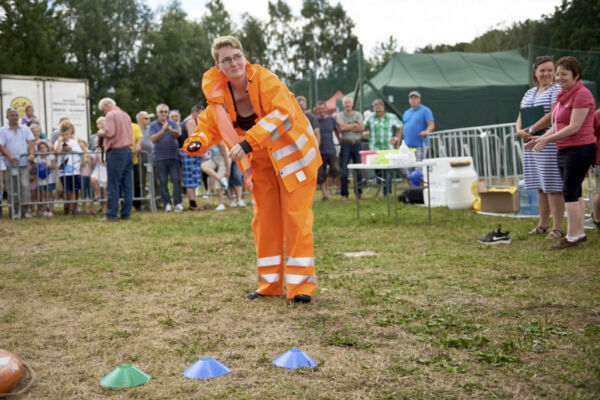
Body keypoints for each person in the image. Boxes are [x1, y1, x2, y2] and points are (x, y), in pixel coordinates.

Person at [184, 36, 321, 303]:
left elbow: (283, 114)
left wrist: (248, 142)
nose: (233, 62)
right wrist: (196, 141)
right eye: (226, 59)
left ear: (244, 57)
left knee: (296, 219)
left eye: (237, 56)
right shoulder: (219, 100)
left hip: (295, 159)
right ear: (218, 67)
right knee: (264, 222)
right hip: (260, 165)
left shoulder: (265, 79)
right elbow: (207, 126)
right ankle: (268, 284)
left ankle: (301, 287)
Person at [527, 56, 597, 249]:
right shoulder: (563, 95)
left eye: (563, 74)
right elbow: (557, 125)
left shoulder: (582, 94)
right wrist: (540, 138)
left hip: (579, 149)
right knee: (575, 192)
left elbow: (574, 127)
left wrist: (546, 140)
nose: (558, 78)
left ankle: (572, 236)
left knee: (569, 192)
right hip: (565, 149)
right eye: (557, 74)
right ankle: (579, 233)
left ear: (576, 75)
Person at [516, 55, 565, 239]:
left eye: (550, 70)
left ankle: (557, 227)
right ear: (535, 72)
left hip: (548, 142)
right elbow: (521, 114)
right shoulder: (529, 93)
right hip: (531, 143)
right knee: (540, 185)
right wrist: (519, 130)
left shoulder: (556, 89)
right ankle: (543, 224)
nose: (546, 73)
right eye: (542, 70)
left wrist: (533, 129)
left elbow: (554, 114)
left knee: (552, 186)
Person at [97, 97, 134, 221]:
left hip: (116, 151)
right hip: (128, 150)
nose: (104, 112)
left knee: (113, 184)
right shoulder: (126, 115)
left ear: (106, 105)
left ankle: (112, 214)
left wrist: (100, 133)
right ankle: (126, 213)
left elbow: (110, 133)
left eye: (103, 110)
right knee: (127, 184)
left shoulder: (110, 115)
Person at [0, 107, 35, 218]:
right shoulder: (2, 130)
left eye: (16, 115)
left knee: (25, 186)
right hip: (9, 164)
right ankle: (13, 209)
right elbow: (1, 146)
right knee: (11, 187)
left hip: (23, 163)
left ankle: (25, 209)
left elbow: (31, 142)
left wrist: (31, 154)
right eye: (11, 115)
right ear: (7, 117)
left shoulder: (25, 129)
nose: (14, 117)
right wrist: (10, 156)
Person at [364, 99, 402, 194]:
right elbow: (363, 127)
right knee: (378, 171)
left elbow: (400, 126)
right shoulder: (370, 117)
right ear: (373, 108)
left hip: (388, 148)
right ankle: (382, 188)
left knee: (387, 170)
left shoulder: (391, 117)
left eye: (379, 106)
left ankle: (387, 192)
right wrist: (363, 133)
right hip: (374, 149)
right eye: (375, 107)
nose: (378, 109)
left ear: (383, 107)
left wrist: (396, 139)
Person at [150, 103, 183, 212]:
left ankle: (178, 203)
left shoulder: (173, 123)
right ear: (157, 113)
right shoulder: (153, 125)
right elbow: (153, 139)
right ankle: (167, 203)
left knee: (176, 180)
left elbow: (177, 134)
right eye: (161, 111)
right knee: (163, 181)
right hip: (160, 157)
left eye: (165, 112)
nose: (163, 114)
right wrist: (163, 130)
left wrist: (168, 129)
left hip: (173, 156)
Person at [336, 96, 364, 200]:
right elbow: (342, 128)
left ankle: (359, 193)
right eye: (346, 103)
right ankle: (344, 194)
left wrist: (348, 126)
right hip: (345, 144)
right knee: (344, 170)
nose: (348, 104)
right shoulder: (340, 115)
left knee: (359, 169)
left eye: (349, 102)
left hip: (357, 143)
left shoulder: (358, 114)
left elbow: (362, 128)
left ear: (352, 104)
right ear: (343, 105)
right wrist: (355, 125)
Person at [55, 121, 82, 216]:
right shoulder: (58, 142)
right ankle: (67, 207)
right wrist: (60, 142)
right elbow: (57, 152)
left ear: (70, 134)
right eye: (62, 134)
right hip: (64, 171)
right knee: (66, 190)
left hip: (75, 170)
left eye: (66, 134)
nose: (65, 136)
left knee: (74, 189)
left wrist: (71, 149)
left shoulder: (74, 142)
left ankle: (71, 208)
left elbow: (80, 152)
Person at [398, 91, 434, 162]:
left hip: (420, 145)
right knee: (407, 166)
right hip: (406, 147)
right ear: (409, 100)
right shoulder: (406, 112)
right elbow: (402, 128)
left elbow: (431, 125)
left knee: (418, 166)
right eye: (411, 98)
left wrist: (426, 132)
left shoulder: (425, 110)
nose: (413, 100)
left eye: (415, 98)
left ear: (419, 99)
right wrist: (398, 144)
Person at [181, 105, 204, 210]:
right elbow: (193, 139)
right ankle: (192, 203)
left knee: (191, 178)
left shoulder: (186, 120)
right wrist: (201, 153)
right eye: (201, 114)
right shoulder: (191, 122)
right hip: (190, 154)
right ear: (195, 112)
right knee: (190, 178)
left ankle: (193, 201)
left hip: (188, 153)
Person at [316, 100, 340, 201]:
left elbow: (336, 130)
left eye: (323, 108)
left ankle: (328, 176)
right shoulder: (315, 120)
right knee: (320, 173)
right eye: (319, 109)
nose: (321, 110)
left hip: (331, 149)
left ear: (326, 109)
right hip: (319, 151)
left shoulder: (331, 119)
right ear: (317, 110)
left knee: (336, 168)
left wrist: (340, 141)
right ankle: (324, 196)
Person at [200, 142, 230, 210]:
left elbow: (226, 155)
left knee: (218, 184)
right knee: (203, 166)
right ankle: (221, 179)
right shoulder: (208, 141)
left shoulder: (219, 141)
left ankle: (221, 204)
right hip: (214, 159)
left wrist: (228, 170)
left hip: (224, 160)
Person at [34, 140, 55, 216]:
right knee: (43, 195)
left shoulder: (51, 156)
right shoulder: (37, 158)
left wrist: (49, 166)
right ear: (38, 149)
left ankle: (51, 211)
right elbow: (35, 168)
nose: (43, 149)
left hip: (50, 179)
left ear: (47, 148)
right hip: (41, 180)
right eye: (41, 148)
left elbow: (53, 166)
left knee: (50, 195)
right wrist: (36, 166)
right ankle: (45, 210)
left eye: (44, 147)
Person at [78, 139, 94, 214]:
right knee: (83, 192)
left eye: (83, 146)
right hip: (82, 175)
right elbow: (83, 163)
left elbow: (92, 163)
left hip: (90, 174)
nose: (82, 147)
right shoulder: (78, 154)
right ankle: (85, 208)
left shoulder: (90, 153)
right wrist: (83, 155)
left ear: (86, 145)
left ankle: (92, 208)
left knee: (91, 192)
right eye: (80, 146)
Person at [131, 121, 144, 211]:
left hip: (133, 161)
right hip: (120, 161)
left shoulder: (134, 126)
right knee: (121, 184)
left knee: (136, 183)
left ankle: (137, 204)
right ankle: (123, 203)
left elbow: (140, 137)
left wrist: (138, 145)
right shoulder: (116, 125)